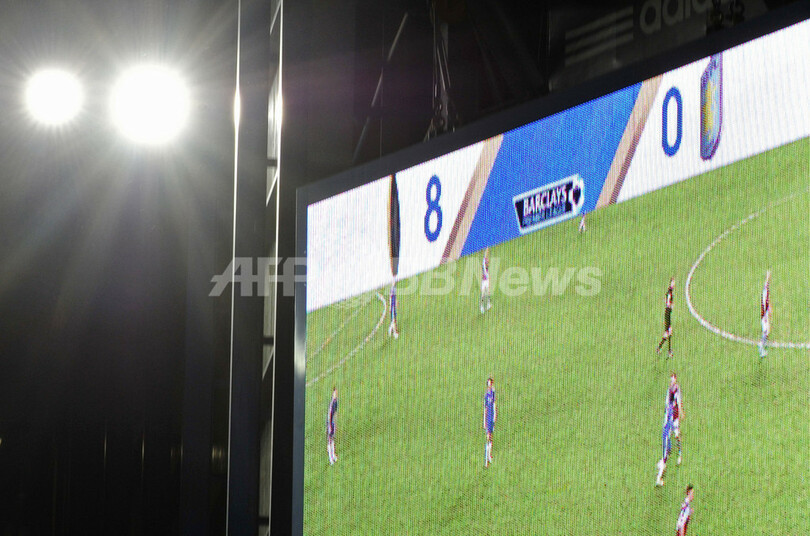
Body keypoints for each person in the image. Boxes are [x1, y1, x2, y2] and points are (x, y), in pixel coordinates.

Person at [656, 372, 683, 485]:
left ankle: (679, 454)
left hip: (673, 421)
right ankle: (659, 477)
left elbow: (678, 402)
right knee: (665, 455)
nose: (672, 381)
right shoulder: (669, 405)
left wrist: (680, 412)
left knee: (676, 435)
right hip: (669, 426)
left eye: (673, 379)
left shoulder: (676, 391)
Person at [657, 278, 675, 358]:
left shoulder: (669, 292)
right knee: (668, 333)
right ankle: (666, 350)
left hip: (668, 313)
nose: (674, 284)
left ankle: (662, 349)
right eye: (673, 283)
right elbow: (668, 303)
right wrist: (670, 306)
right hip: (667, 314)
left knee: (668, 333)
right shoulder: (670, 293)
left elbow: (666, 300)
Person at [483, 377, 497, 467]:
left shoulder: (493, 393)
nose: (489, 386)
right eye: (488, 384)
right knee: (488, 437)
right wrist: (484, 420)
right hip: (488, 417)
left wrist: (495, 415)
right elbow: (485, 408)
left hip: (492, 417)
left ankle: (489, 456)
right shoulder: (486, 395)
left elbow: (494, 404)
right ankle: (486, 460)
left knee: (491, 437)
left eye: (490, 384)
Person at [759, 270, 770, 358]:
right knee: (765, 331)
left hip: (765, 316)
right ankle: (761, 347)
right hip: (764, 317)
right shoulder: (765, 294)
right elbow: (765, 305)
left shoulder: (765, 292)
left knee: (767, 330)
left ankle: (763, 344)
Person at [327, 387, 339, 465]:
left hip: (333, 422)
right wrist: (330, 426)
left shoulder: (336, 402)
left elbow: (335, 414)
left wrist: (335, 423)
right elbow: (330, 415)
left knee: (333, 438)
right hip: (330, 423)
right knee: (330, 439)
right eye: (334, 393)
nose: (335, 394)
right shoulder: (332, 404)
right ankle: (330, 458)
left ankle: (333, 455)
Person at [480, 247, 492, 314]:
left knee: (488, 293)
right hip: (484, 281)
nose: (488, 262)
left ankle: (488, 304)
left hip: (487, 281)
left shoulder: (486, 268)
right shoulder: (484, 265)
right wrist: (487, 250)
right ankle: (482, 307)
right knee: (483, 294)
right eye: (487, 262)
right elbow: (485, 256)